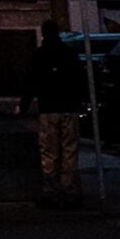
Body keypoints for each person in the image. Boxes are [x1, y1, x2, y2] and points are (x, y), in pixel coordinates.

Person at [20, 19, 87, 206]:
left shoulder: (38, 55)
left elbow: (30, 82)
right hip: (69, 107)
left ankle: (51, 191)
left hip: (48, 107)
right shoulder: (70, 54)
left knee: (49, 151)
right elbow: (80, 80)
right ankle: (70, 190)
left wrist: (23, 105)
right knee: (70, 150)